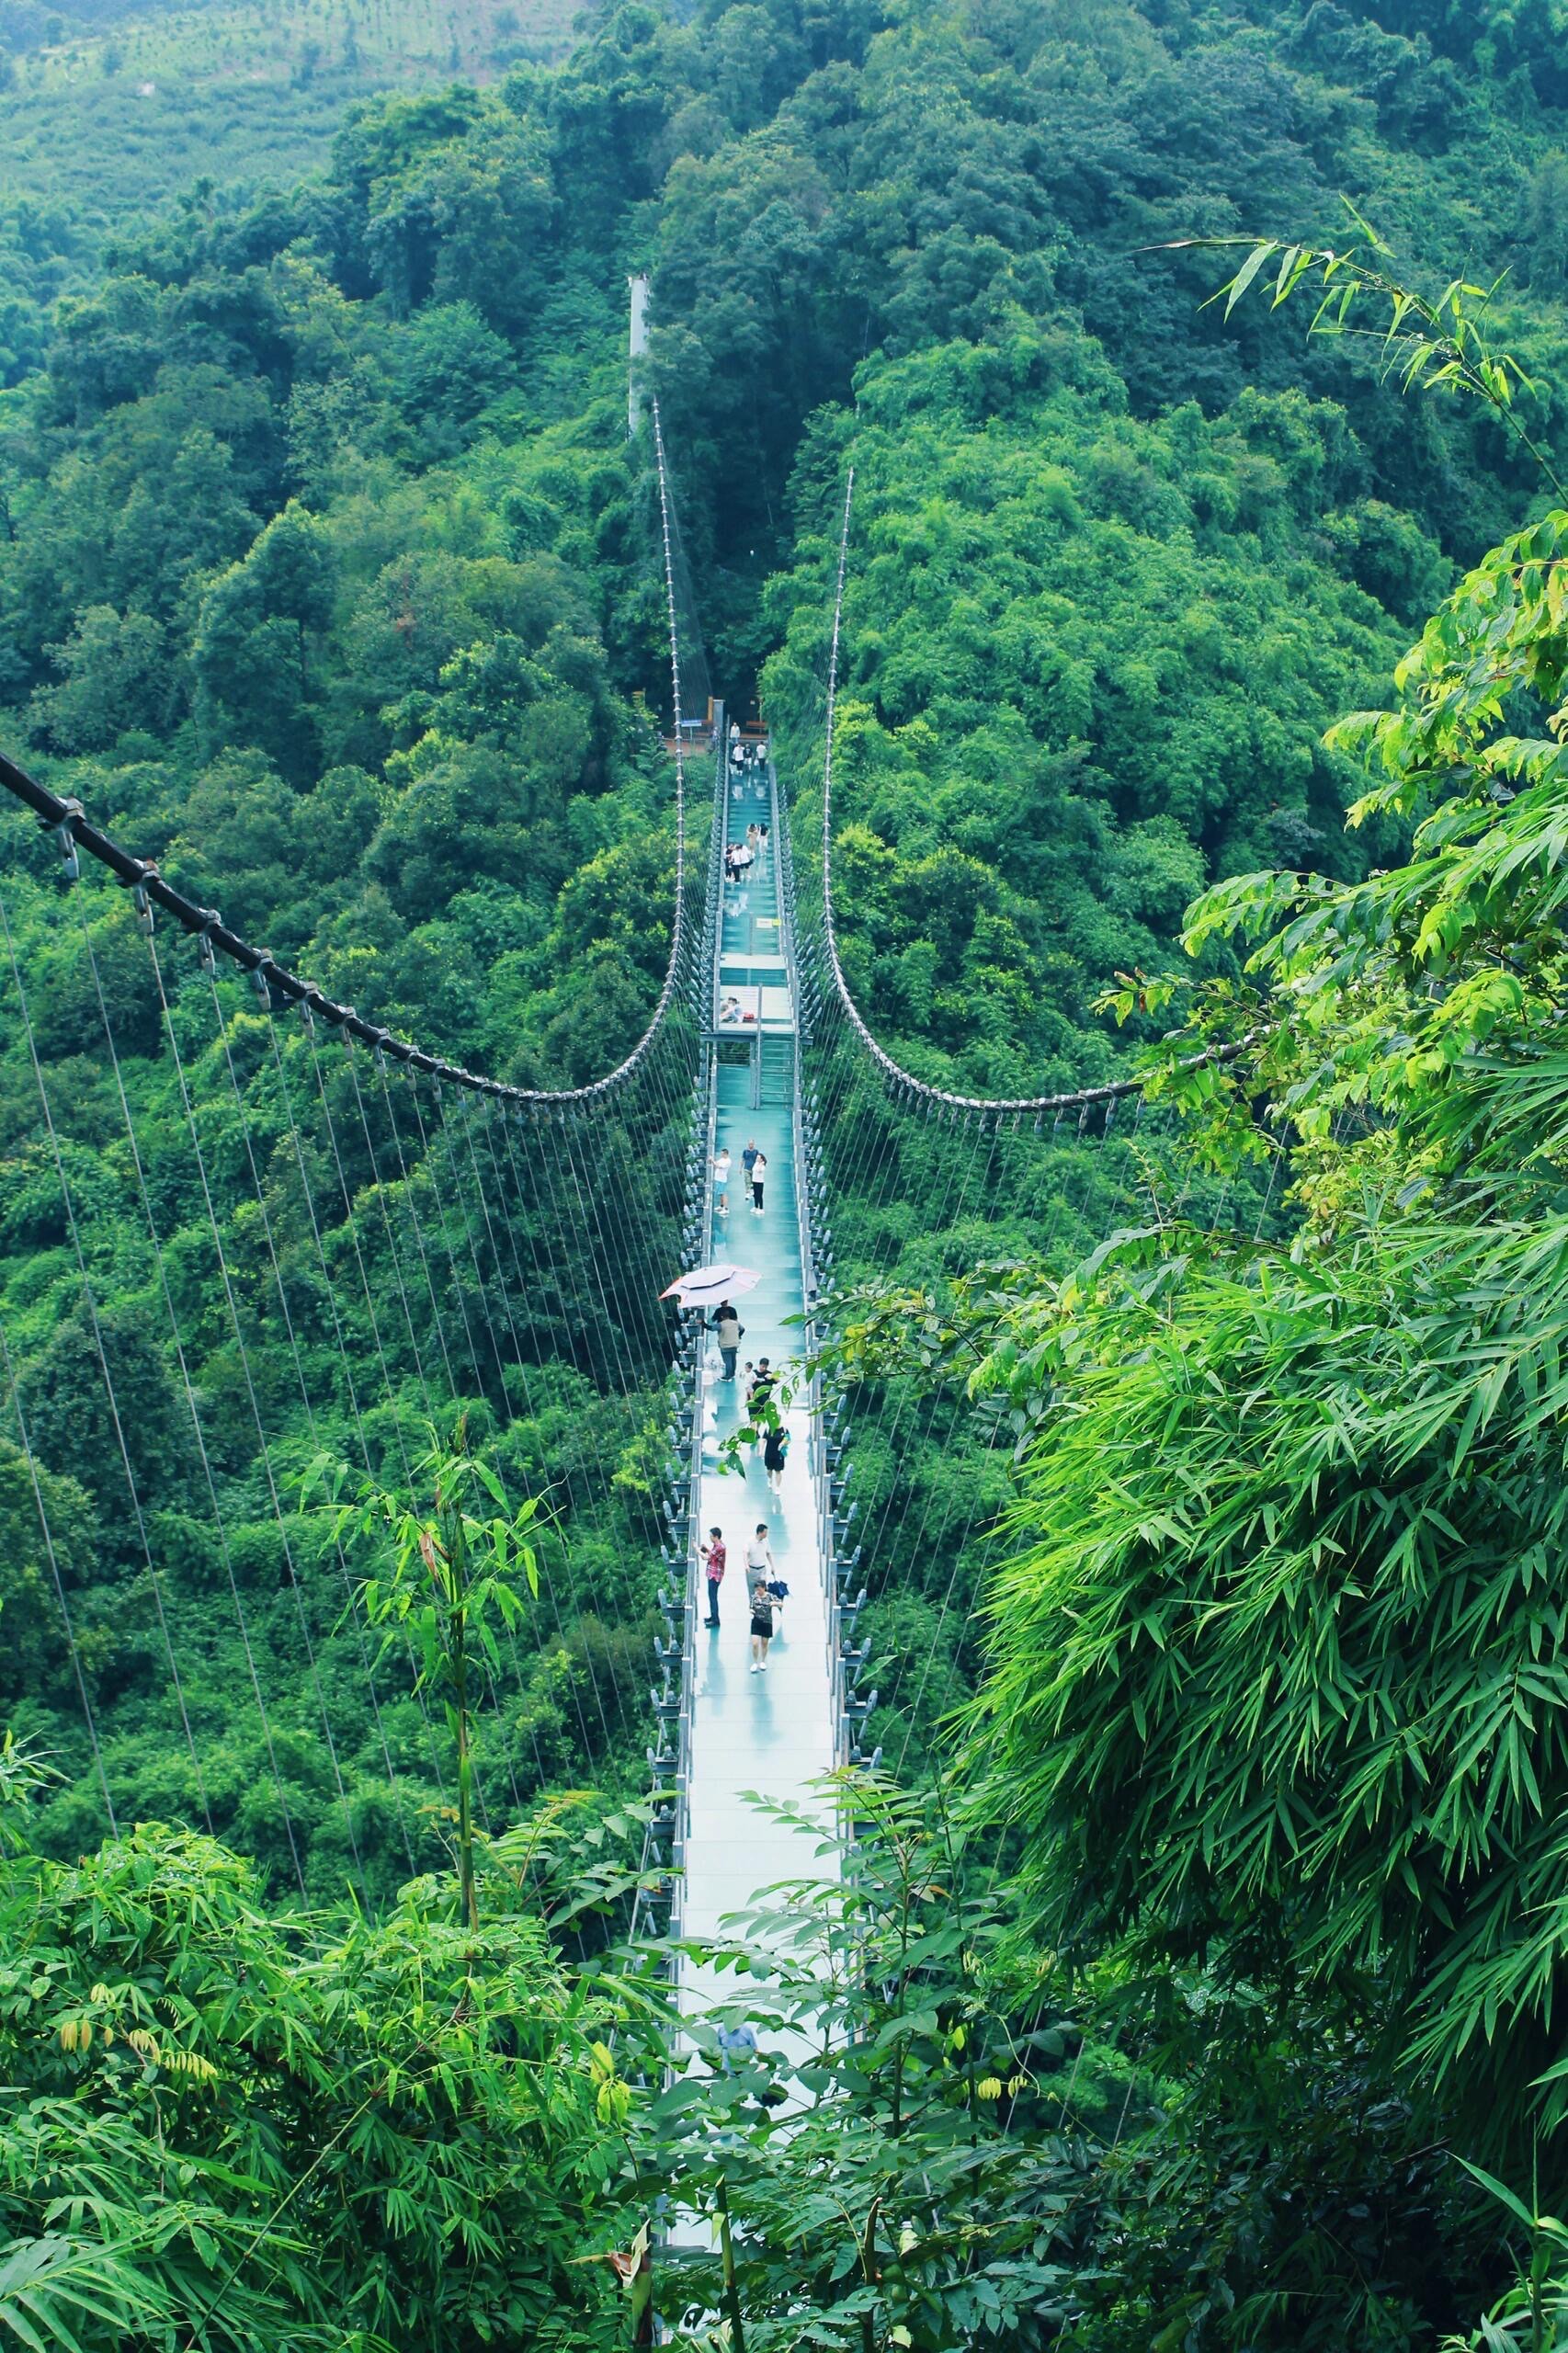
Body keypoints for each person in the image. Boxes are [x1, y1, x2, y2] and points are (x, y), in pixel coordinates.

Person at [747, 1527, 778, 1670]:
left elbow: (769, 1554)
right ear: (760, 1532)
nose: (767, 1534)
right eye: (765, 1532)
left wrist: (772, 1566)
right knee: (755, 1643)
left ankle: (763, 1660)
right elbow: (744, 1552)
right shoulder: (750, 1541)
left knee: (764, 1642)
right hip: (752, 1569)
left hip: (767, 1620)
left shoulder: (766, 1542)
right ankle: (755, 1661)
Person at [699, 1527, 725, 1628]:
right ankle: (713, 1616)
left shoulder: (720, 1547)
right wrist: (705, 1549)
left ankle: (715, 1620)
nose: (710, 1538)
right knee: (711, 1596)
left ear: (716, 1537)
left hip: (715, 1575)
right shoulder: (717, 1545)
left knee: (713, 1597)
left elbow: (707, 1557)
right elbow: (713, 1555)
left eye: (711, 1536)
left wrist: (698, 1550)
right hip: (713, 1574)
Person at [712, 1302, 742, 1381]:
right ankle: (732, 1373)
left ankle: (728, 1375)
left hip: (724, 1335)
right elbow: (739, 1325)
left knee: (727, 1360)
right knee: (733, 1358)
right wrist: (738, 1335)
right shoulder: (732, 1310)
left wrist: (703, 1324)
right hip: (733, 1337)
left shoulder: (718, 1311)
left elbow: (713, 1321)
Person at [764, 1418, 790, 1499]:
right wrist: (760, 1450)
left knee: (778, 1471)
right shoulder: (768, 1430)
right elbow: (763, 1439)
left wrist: (783, 1443)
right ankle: (770, 1478)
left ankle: (778, 1487)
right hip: (769, 1454)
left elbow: (788, 1440)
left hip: (779, 1455)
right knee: (769, 1470)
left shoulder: (784, 1430)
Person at [712, 1143, 731, 1212]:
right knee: (721, 1193)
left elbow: (719, 1166)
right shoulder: (722, 1159)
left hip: (722, 1179)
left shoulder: (728, 1161)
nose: (721, 1155)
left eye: (722, 1154)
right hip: (718, 1178)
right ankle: (721, 1206)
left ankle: (725, 1208)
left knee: (723, 1193)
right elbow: (716, 1163)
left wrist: (712, 1160)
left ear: (726, 1154)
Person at [750, 1147, 767, 1215]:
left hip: (760, 1182)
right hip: (754, 1181)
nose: (757, 1159)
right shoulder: (755, 1164)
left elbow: (759, 1170)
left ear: (761, 1159)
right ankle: (756, 1207)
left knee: (760, 1195)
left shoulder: (763, 1166)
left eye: (758, 1158)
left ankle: (761, 1208)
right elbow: (754, 1170)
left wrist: (761, 1164)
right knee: (755, 1195)